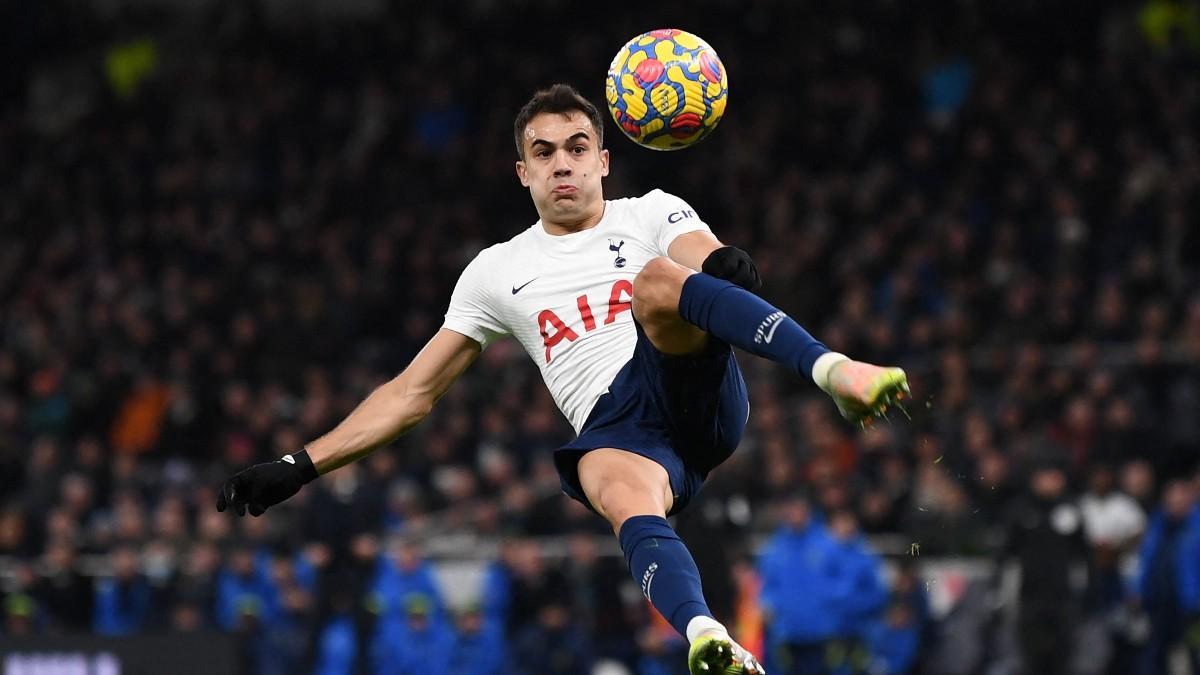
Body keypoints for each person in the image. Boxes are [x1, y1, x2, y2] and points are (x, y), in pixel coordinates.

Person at [216, 83, 909, 674]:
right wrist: (298, 464)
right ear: (522, 172)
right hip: (621, 431)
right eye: (543, 152)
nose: (562, 164)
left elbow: (703, 253)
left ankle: (835, 370)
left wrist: (724, 262)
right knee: (611, 488)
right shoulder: (494, 270)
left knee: (659, 284)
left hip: (690, 386)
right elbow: (411, 392)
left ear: (604, 160)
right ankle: (706, 634)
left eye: (577, 147)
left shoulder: (650, 212)